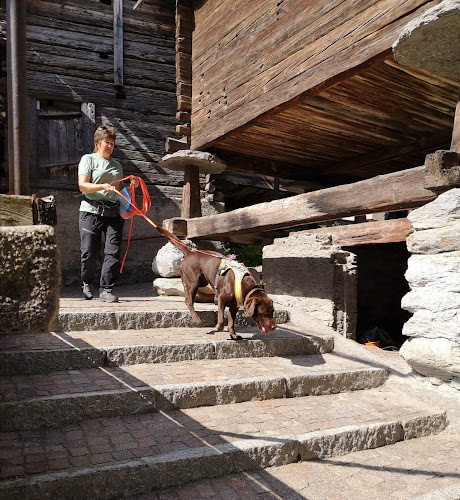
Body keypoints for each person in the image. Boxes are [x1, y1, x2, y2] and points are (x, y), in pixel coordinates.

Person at [78, 125, 137, 303]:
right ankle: (87, 283)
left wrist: (130, 186)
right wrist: (102, 186)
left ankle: (106, 289)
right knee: (89, 252)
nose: (110, 146)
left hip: (113, 213)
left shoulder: (117, 165)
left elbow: (118, 189)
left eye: (112, 143)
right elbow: (83, 185)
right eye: (106, 142)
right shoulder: (88, 159)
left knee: (113, 252)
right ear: (98, 143)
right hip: (91, 210)